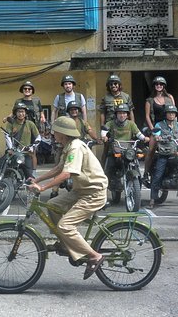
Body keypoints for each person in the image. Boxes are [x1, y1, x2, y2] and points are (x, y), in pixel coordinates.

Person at [28, 116, 108, 280]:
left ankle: (94, 256)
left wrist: (42, 188)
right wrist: (36, 180)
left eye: (55, 132)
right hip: (81, 190)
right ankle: (66, 243)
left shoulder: (76, 148)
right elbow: (58, 168)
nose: (53, 134)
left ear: (62, 133)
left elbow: (66, 174)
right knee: (52, 204)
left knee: (65, 226)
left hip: (94, 193)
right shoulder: (68, 146)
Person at [49, 100, 101, 199]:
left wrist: (97, 139)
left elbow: (90, 131)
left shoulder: (83, 122)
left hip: (78, 146)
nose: (74, 111)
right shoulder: (65, 121)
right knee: (58, 168)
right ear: (69, 111)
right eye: (72, 109)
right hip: (64, 147)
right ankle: (54, 191)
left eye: (76, 109)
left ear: (79, 111)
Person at [102, 104, 150, 201]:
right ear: (116, 114)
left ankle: (138, 181)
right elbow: (104, 130)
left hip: (128, 150)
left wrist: (144, 138)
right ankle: (107, 189)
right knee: (109, 168)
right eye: (120, 113)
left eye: (124, 113)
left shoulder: (131, 124)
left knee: (136, 161)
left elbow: (138, 133)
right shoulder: (110, 123)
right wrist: (104, 136)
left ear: (127, 115)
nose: (122, 115)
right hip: (115, 149)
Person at [150, 105, 178, 206]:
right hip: (164, 153)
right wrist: (158, 137)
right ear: (165, 114)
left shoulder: (177, 124)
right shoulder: (159, 125)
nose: (171, 115)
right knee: (158, 174)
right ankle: (153, 198)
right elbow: (156, 134)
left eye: (173, 113)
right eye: (169, 113)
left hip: (175, 152)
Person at [143, 76, 175, 177]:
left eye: (161, 84)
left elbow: (174, 112)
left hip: (168, 126)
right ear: (154, 86)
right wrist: (153, 129)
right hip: (156, 127)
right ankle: (146, 172)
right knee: (151, 150)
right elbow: (147, 116)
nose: (159, 86)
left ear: (164, 86)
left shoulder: (170, 97)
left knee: (177, 148)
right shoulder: (150, 100)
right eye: (157, 84)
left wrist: (175, 127)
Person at [4, 102, 41, 179]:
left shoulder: (30, 124)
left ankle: (32, 186)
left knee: (29, 175)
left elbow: (38, 137)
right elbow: (7, 136)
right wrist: (10, 148)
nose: (21, 114)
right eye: (19, 112)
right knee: (5, 170)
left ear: (25, 113)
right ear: (15, 113)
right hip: (14, 153)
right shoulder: (11, 123)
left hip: (26, 153)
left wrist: (32, 147)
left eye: (22, 112)